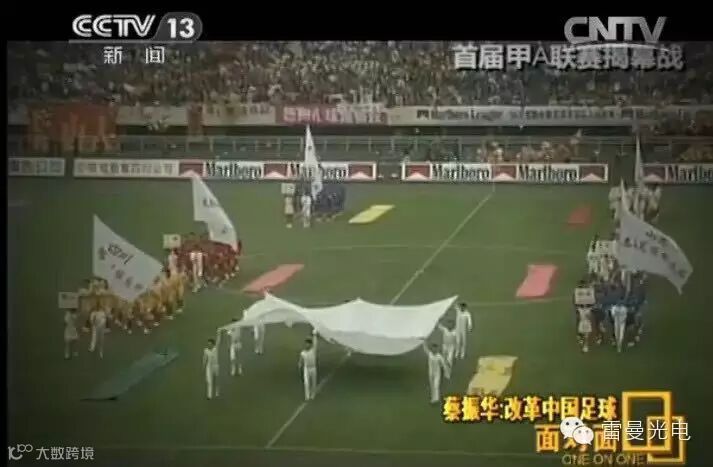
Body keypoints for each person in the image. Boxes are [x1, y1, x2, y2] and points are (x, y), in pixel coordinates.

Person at [298, 329, 319, 401]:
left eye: (308, 343)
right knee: (306, 383)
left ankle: (313, 395)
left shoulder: (313, 350)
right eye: (306, 343)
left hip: (313, 368)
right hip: (306, 368)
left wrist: (315, 335)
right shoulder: (303, 353)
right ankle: (307, 396)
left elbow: (315, 343)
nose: (307, 344)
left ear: (310, 344)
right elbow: (300, 361)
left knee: (313, 382)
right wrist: (300, 366)